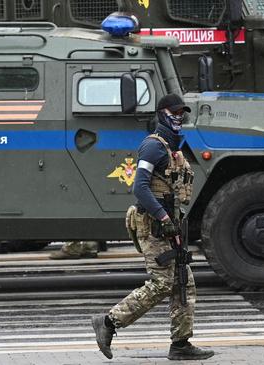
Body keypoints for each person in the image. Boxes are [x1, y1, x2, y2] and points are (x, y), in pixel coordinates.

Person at [91, 94, 214, 360]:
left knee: (184, 282)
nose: (179, 117)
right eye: (174, 112)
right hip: (153, 226)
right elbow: (141, 188)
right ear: (161, 114)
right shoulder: (153, 147)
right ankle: (108, 322)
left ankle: (180, 345)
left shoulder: (172, 149)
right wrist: (164, 218)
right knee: (162, 283)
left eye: (182, 113)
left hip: (169, 228)